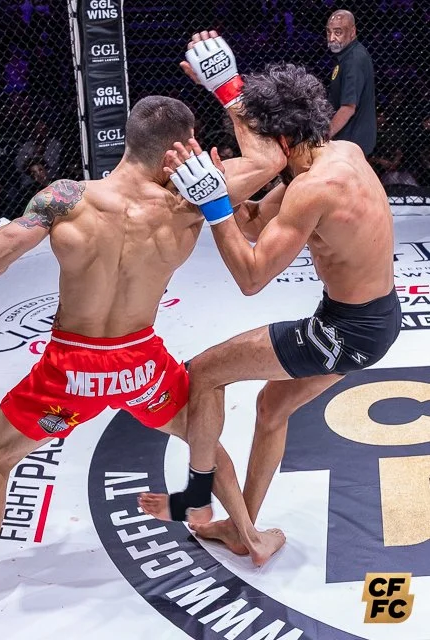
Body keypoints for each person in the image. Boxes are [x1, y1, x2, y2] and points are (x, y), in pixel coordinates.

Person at [0, 95, 286, 623]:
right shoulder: (189, 202)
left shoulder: (67, 197)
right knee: (204, 441)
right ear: (178, 151)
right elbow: (272, 159)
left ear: (128, 140)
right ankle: (250, 537)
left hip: (69, 375)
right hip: (142, 368)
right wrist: (226, 88)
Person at [139, 32, 400, 561]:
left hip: (345, 332)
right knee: (271, 408)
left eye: (260, 142)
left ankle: (197, 499)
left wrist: (213, 204)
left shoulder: (313, 189)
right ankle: (245, 531)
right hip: (371, 320)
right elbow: (257, 223)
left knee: (202, 374)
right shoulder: (339, 153)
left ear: (281, 139)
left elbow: (252, 276)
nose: (251, 154)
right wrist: (221, 188)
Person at [326, 10, 376, 156]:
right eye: (329, 32)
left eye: (338, 32)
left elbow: (348, 108)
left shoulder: (354, 59)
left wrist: (324, 137)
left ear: (352, 32)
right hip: (350, 139)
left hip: (352, 141)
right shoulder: (347, 56)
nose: (332, 38)